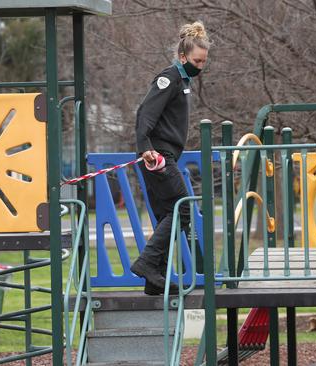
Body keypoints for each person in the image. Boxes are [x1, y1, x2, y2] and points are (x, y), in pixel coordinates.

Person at [131, 21, 210, 296]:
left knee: (167, 213)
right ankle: (146, 263)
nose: (200, 66)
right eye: (196, 61)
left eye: (203, 61)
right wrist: (145, 148)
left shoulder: (183, 80)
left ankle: (155, 280)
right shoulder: (169, 78)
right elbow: (145, 114)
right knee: (183, 209)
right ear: (182, 57)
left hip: (161, 154)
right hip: (157, 155)